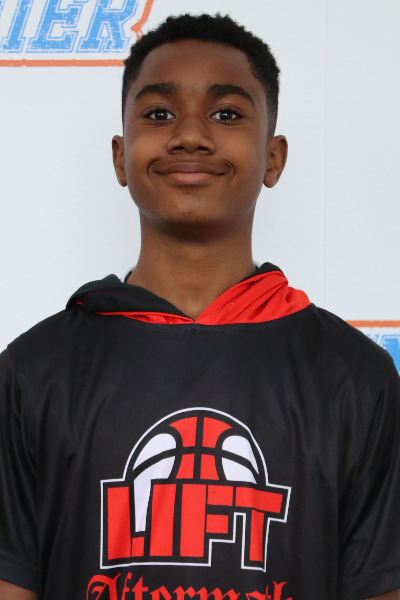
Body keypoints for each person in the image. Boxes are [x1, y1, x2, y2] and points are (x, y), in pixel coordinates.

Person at [0, 13, 399, 600]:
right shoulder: (33, 371)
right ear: (120, 156)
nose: (190, 135)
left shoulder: (356, 377)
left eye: (227, 114)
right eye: (159, 114)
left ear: (273, 158)